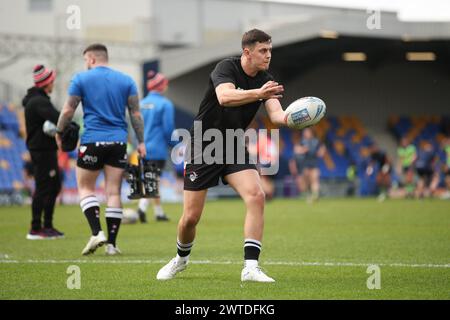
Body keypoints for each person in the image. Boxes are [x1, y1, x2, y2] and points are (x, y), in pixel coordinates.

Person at [156, 29, 289, 283]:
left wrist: (295, 118)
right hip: (204, 143)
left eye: (270, 50)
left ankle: (250, 268)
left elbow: (276, 116)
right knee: (190, 218)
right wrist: (258, 94)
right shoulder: (225, 68)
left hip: (233, 144)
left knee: (256, 195)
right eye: (263, 50)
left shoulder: (266, 79)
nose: (268, 55)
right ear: (247, 52)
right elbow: (225, 97)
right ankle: (180, 259)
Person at [55, 44, 146, 256]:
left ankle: (97, 232)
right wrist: (141, 141)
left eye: (86, 59)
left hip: (92, 140)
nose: (86, 63)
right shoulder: (127, 80)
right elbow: (136, 115)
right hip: (118, 142)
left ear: (92, 58)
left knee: (85, 188)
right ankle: (112, 245)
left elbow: (69, 109)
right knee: (113, 191)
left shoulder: (80, 79)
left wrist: (59, 132)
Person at [22, 65, 64, 240]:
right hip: (41, 151)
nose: (53, 83)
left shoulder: (39, 100)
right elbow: (59, 118)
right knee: (43, 188)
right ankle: (35, 228)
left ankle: (47, 226)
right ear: (46, 83)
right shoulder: (39, 102)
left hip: (45, 150)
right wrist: (71, 125)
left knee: (53, 186)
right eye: (52, 80)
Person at [134, 71, 175, 223]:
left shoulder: (141, 103)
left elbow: (135, 126)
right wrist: (175, 145)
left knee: (152, 179)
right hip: (157, 149)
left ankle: (158, 213)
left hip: (143, 147)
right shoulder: (165, 104)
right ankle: (142, 207)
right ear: (161, 86)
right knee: (153, 180)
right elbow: (168, 129)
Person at [290, 128, 325, 203]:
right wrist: (303, 150)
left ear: (311, 133)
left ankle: (315, 196)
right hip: (305, 164)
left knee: (315, 180)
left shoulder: (316, 141)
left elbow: (322, 151)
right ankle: (309, 195)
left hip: (314, 164)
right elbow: (296, 149)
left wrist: (320, 152)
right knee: (306, 181)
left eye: (307, 132)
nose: (305, 134)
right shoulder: (302, 141)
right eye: (304, 132)